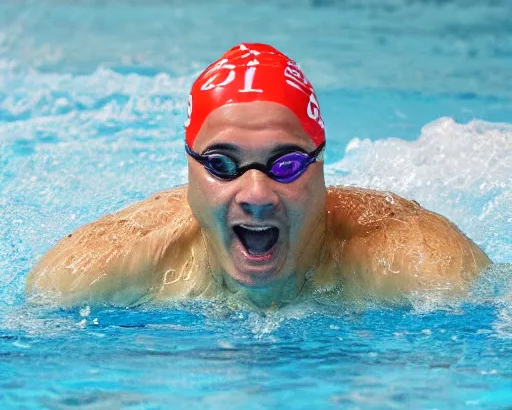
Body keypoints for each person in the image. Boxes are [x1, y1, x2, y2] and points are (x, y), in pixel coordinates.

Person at [26, 43, 491, 309]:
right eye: (222, 165)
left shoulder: (425, 266)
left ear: (321, 163)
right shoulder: (94, 272)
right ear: (189, 167)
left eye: (285, 164)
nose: (255, 193)